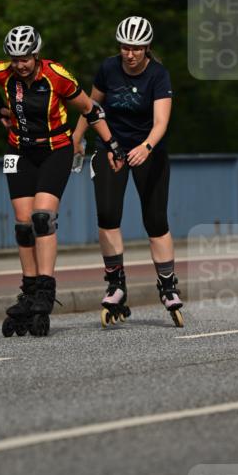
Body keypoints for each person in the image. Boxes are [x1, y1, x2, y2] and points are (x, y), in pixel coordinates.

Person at [0, 26, 125, 336]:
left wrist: (112, 144)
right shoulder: (4, 72)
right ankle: (28, 291)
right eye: (15, 59)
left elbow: (91, 109)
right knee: (22, 223)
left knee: (42, 218)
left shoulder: (56, 76)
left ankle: (44, 289)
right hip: (19, 149)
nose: (20, 64)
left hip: (56, 149)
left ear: (36, 54)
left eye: (25, 58)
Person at [72, 17, 182, 327]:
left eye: (135, 48)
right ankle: (116, 285)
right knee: (107, 214)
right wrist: (77, 137)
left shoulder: (158, 74)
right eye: (124, 47)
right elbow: (91, 105)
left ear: (147, 47)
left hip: (149, 150)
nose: (129, 54)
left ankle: (168, 286)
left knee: (156, 221)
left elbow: (161, 122)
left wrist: (145, 148)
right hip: (111, 147)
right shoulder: (108, 68)